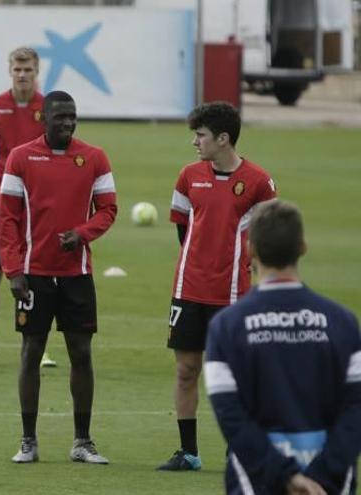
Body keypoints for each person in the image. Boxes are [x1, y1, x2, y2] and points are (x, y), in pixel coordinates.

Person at [205, 199, 361, 494]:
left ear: (250, 249)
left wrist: (284, 475)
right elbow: (357, 408)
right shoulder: (343, 322)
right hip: (330, 483)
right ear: (302, 247)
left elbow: (231, 415)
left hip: (257, 480)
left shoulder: (226, 327)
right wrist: (321, 473)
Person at [0, 91, 117, 464]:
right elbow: (8, 219)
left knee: (81, 354)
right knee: (31, 351)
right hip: (33, 275)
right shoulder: (20, 158)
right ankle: (28, 440)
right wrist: (14, 270)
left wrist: (82, 234)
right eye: (61, 117)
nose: (68, 122)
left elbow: (109, 209)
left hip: (76, 274)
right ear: (44, 119)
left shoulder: (94, 158)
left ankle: (82, 441)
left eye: (73, 116)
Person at [158, 101, 277, 471]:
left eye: (201, 135)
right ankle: (189, 453)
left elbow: (266, 239)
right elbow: (183, 228)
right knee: (186, 370)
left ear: (223, 139)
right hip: (188, 289)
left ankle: (238, 449)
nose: (195, 142)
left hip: (233, 295)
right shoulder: (188, 176)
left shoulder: (259, 182)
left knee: (236, 375)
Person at [0, 47, 55, 368]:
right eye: (17, 69)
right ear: (9, 70)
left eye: (28, 69)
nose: (22, 75)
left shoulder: (47, 109)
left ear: (37, 71)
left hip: (34, 209)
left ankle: (37, 345)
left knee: (34, 275)